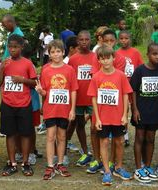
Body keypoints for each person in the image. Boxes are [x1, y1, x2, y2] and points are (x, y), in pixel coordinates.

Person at [88, 44, 133, 186]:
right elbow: (93, 98)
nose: (105, 61)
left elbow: (126, 95)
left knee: (119, 141)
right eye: (102, 59)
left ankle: (118, 167)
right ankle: (107, 170)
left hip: (117, 116)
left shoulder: (120, 76)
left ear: (113, 58)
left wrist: (125, 114)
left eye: (108, 58)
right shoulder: (96, 77)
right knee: (104, 142)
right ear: (98, 60)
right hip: (103, 117)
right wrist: (97, 118)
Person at [35, 39, 78, 180]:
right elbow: (45, 92)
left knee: (62, 137)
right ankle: (50, 165)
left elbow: (73, 90)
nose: (56, 54)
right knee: (50, 137)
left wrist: (72, 109)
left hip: (64, 110)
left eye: (58, 51)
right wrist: (41, 92)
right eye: (52, 52)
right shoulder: (46, 70)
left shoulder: (69, 70)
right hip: (50, 109)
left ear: (63, 52)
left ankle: (60, 163)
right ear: (49, 53)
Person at [0, 34, 37, 176]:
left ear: (21, 47)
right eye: (10, 47)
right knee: (10, 133)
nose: (12, 49)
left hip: (24, 104)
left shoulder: (27, 63)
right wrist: (1, 68)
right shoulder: (5, 63)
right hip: (7, 104)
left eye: (15, 47)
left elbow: (35, 83)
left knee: (26, 134)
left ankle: (25, 162)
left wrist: (22, 80)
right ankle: (12, 162)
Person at [130, 43, 158, 183]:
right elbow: (133, 90)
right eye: (154, 54)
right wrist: (135, 109)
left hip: (155, 111)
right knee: (139, 137)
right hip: (141, 110)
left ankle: (148, 167)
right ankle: (139, 168)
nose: (157, 56)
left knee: (151, 138)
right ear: (148, 54)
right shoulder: (140, 71)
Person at [68, 31, 95, 167]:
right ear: (77, 42)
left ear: (91, 41)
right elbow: (70, 79)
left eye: (86, 39)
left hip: (93, 98)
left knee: (96, 126)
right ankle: (85, 151)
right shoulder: (73, 59)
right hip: (78, 97)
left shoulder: (96, 57)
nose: (84, 42)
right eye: (81, 40)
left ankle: (97, 153)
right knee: (80, 124)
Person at [116, 30, 144, 147]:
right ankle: (125, 134)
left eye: (126, 38)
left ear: (130, 39)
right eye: (121, 38)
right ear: (118, 40)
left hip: (133, 85)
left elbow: (140, 67)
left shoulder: (135, 52)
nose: (124, 41)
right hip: (121, 85)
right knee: (123, 110)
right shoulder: (116, 53)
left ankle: (138, 130)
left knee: (134, 108)